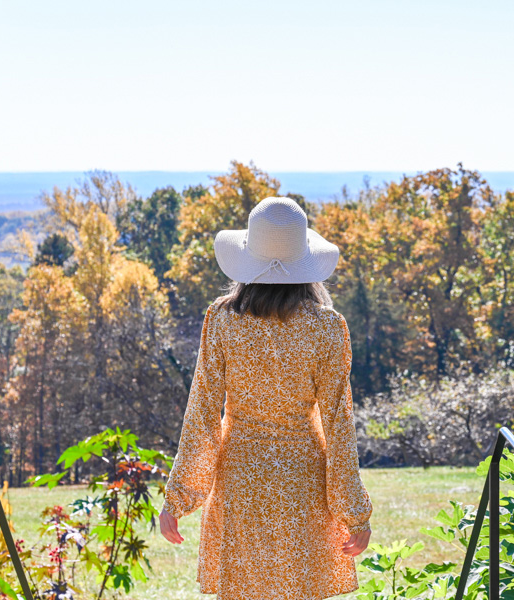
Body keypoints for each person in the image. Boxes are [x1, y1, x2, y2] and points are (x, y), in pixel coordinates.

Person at [158, 196, 373, 600]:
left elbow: (203, 412)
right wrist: (354, 511)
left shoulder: (222, 319)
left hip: (240, 479)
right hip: (302, 481)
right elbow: (338, 423)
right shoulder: (327, 328)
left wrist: (179, 497)